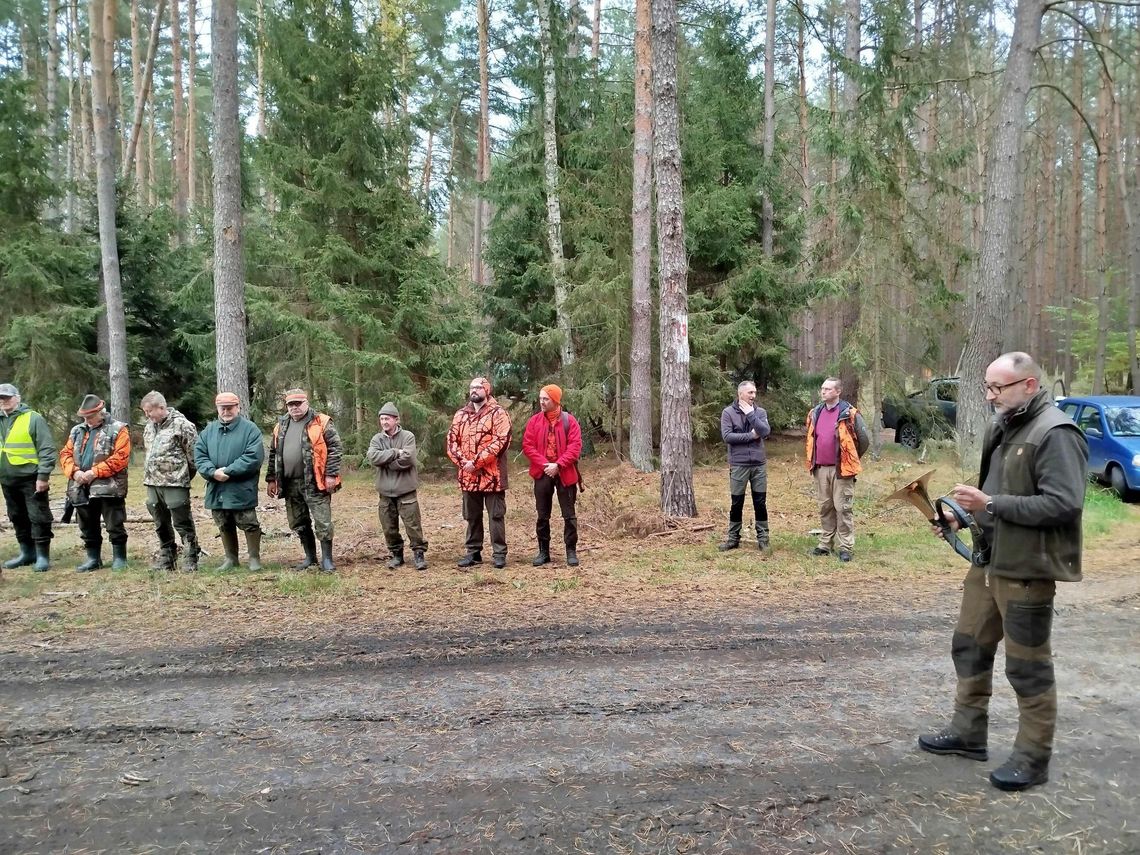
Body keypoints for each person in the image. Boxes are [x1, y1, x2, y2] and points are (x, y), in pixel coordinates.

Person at [919, 352, 1088, 793]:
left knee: (1027, 667)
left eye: (998, 388)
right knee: (969, 646)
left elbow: (1064, 504)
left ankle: (1033, 757)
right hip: (989, 562)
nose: (990, 396)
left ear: (1029, 385)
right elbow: (994, 495)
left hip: (1027, 570)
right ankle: (968, 733)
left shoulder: (1055, 433)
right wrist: (960, 518)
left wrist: (990, 504)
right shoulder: (1004, 424)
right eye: (988, 388)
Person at [266, 389, 342, 573]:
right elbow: (274, 453)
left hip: (315, 481)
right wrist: (271, 479)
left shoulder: (321, 421)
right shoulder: (281, 425)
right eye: (291, 404)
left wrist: (331, 475)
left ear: (306, 403)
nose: (295, 407)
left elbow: (335, 449)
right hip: (290, 482)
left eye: (298, 403)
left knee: (323, 521)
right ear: (287, 406)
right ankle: (310, 557)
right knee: (299, 521)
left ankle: (327, 560)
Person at [59, 394, 131, 572]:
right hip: (80, 486)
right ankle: (93, 558)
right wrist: (74, 472)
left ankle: (119, 558)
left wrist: (94, 472)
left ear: (101, 411)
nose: (87, 420)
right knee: (86, 524)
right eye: (85, 417)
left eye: (90, 416)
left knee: (114, 523)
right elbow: (65, 454)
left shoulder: (118, 429)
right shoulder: (77, 431)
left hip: (109, 486)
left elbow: (121, 457)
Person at [193, 392, 265, 571]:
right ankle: (231, 559)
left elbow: (254, 457)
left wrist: (228, 471)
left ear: (238, 407)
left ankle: (254, 559)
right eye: (222, 408)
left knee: (249, 522)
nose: (226, 411)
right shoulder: (208, 431)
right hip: (216, 486)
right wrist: (212, 472)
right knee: (223, 522)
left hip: (242, 486)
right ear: (217, 409)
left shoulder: (250, 429)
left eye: (230, 407)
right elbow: (199, 456)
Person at [446, 376, 512, 569]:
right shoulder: (460, 415)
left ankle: (499, 553)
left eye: (478, 387)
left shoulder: (498, 413)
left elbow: (501, 442)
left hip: (493, 476)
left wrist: (476, 462)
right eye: (471, 387)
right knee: (471, 516)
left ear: (487, 390)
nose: (474, 390)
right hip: (468, 476)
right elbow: (451, 441)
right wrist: (463, 463)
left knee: (496, 516)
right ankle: (473, 552)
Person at [804, 377, 870, 562]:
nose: (823, 392)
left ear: (838, 392)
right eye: (822, 389)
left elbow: (864, 440)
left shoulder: (850, 414)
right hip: (820, 468)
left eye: (828, 389)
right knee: (825, 507)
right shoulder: (815, 413)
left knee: (843, 508)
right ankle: (825, 544)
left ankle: (846, 547)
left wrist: (850, 458)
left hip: (842, 469)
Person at [521, 384, 582, 567]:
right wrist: (544, 464)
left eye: (545, 399)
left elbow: (575, 447)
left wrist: (559, 464)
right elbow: (528, 445)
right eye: (540, 398)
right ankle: (543, 552)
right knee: (542, 515)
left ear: (555, 400)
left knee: (569, 515)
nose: (542, 402)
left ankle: (571, 552)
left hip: (565, 473)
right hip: (542, 472)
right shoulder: (534, 422)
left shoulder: (570, 421)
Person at [140, 391, 201, 572]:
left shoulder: (183, 425)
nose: (147, 415)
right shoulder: (149, 427)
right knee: (160, 521)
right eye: (145, 412)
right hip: (152, 482)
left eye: (149, 411)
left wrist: (183, 475)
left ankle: (191, 556)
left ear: (161, 407)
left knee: (181, 520)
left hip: (175, 482)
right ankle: (167, 556)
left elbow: (193, 455)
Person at [0, 383, 56, 572]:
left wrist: (43, 476)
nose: (3, 401)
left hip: (31, 478)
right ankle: (26, 553)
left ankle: (42, 556)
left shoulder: (33, 418)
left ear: (18, 398)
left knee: (38, 516)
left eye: (7, 397)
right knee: (16, 516)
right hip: (7, 479)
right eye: (0, 398)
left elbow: (46, 448)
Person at [366, 402, 427, 571]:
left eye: (387, 418)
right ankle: (396, 555)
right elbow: (373, 458)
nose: (384, 422)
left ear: (396, 420)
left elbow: (408, 459)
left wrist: (385, 462)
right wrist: (395, 453)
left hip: (406, 490)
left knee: (413, 524)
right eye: (382, 419)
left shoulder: (408, 436)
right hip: (385, 492)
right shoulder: (376, 439)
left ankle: (419, 554)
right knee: (388, 526)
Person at [718, 380, 772, 553]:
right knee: (737, 502)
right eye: (750, 393)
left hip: (758, 464)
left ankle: (763, 538)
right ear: (740, 394)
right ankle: (733, 538)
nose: (753, 396)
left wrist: (750, 415)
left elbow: (764, 432)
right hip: (739, 464)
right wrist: (750, 436)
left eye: (754, 393)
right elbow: (727, 437)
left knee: (760, 502)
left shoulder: (759, 412)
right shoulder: (728, 413)